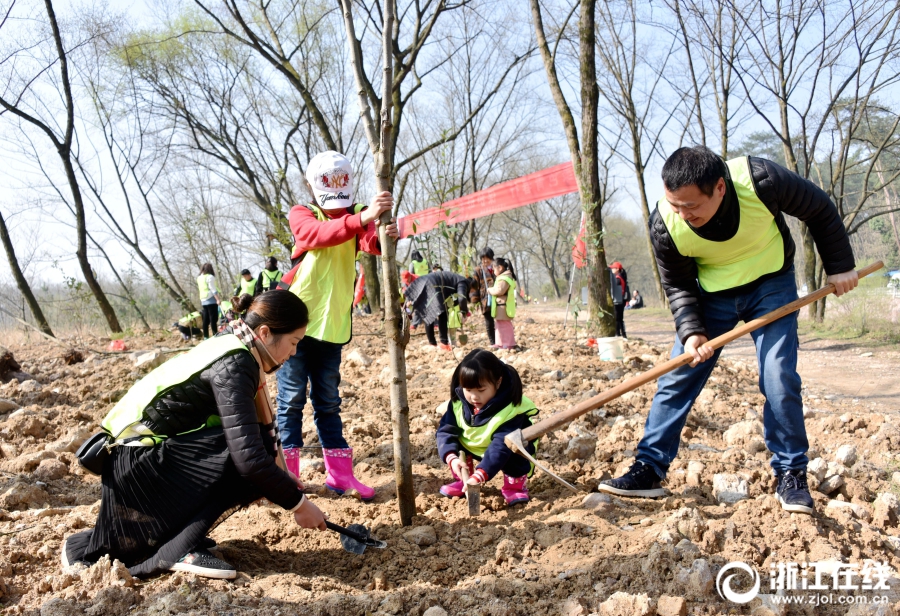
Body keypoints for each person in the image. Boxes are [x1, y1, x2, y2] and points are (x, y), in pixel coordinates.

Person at [599, 146, 858, 514]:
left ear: (719, 188)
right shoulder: (665, 223)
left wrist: (840, 265)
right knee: (677, 376)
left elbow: (818, 208)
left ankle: (791, 474)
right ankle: (648, 469)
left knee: (778, 376)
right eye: (676, 205)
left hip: (771, 284)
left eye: (692, 206)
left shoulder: (761, 181)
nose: (683, 215)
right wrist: (691, 331)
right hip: (710, 295)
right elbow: (677, 285)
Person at [61, 291, 328, 579]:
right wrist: (298, 505)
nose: (294, 353)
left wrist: (280, 480)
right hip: (137, 467)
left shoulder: (232, 343)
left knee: (256, 453)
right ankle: (176, 549)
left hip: (137, 461)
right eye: (293, 342)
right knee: (252, 458)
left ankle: (176, 535)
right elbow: (249, 459)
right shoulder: (235, 364)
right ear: (265, 333)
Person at [277, 150, 398, 501]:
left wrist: (385, 231)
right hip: (293, 330)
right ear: (313, 188)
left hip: (331, 329)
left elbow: (371, 244)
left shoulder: (354, 216)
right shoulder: (303, 215)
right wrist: (363, 218)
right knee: (290, 402)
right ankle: (288, 477)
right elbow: (317, 235)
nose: (336, 209)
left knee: (328, 401)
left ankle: (340, 476)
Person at [436, 349, 539, 506]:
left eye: (481, 390)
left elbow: (500, 446)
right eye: (468, 390)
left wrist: (482, 474)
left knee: (515, 453)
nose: (474, 397)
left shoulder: (511, 409)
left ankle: (514, 486)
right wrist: (452, 458)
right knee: (455, 445)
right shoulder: (459, 403)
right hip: (474, 444)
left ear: (498, 382)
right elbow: (445, 431)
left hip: (507, 448)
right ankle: (463, 478)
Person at [405, 270, 469, 351]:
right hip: (432, 284)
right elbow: (461, 298)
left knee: (427, 311)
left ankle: (432, 343)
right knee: (443, 312)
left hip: (422, 283)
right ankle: (444, 343)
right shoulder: (463, 282)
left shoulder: (455, 279)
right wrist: (464, 313)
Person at [487, 258, 518, 350]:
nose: (493, 271)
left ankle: (508, 343)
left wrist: (490, 290)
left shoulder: (505, 278)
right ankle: (500, 343)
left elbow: (499, 290)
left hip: (503, 306)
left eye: (494, 269)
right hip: (500, 305)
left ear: (500, 268)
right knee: (499, 325)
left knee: (505, 325)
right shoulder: (503, 277)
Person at [469, 247, 497, 346]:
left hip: (498, 298)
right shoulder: (478, 270)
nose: (485, 260)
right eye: (483, 258)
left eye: (487, 258)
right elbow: (474, 286)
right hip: (485, 299)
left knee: (499, 320)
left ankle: (501, 341)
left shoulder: (497, 267)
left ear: (492, 258)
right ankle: (493, 342)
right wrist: (475, 301)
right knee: (489, 322)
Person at [197, 263, 221, 339]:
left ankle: (206, 336)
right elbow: (213, 289)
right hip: (211, 299)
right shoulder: (210, 277)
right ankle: (215, 335)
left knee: (206, 320)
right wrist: (217, 299)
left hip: (203, 300)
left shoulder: (199, 277)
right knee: (213, 319)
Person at [609, 261, 629, 337]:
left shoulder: (617, 278)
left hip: (618, 301)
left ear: (617, 269)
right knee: (620, 319)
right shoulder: (622, 277)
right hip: (622, 300)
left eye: (613, 268)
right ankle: (623, 334)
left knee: (617, 319)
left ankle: (618, 334)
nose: (612, 270)